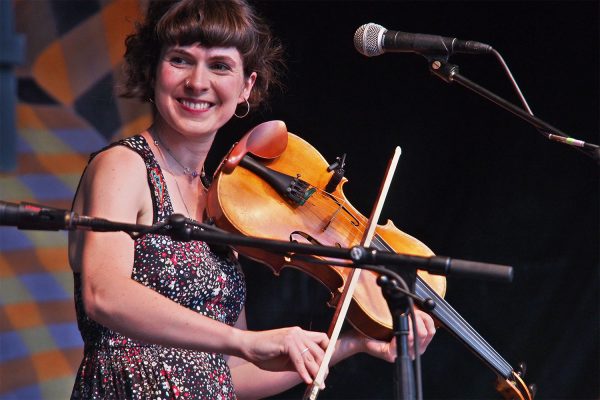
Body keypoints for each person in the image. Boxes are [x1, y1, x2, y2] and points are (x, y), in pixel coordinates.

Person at [68, 0, 437, 398]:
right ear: (152, 70)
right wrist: (247, 341)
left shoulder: (222, 204)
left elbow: (232, 374)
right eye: (180, 60)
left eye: (220, 66)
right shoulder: (124, 165)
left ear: (246, 86)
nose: (197, 81)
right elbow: (103, 294)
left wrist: (351, 341)